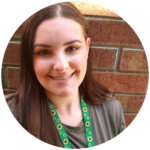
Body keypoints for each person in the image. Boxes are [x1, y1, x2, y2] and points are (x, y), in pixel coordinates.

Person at [6, 2, 126, 148]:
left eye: (72, 48)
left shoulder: (112, 110)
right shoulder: (10, 117)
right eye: (44, 52)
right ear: (29, 58)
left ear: (87, 49)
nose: (61, 66)